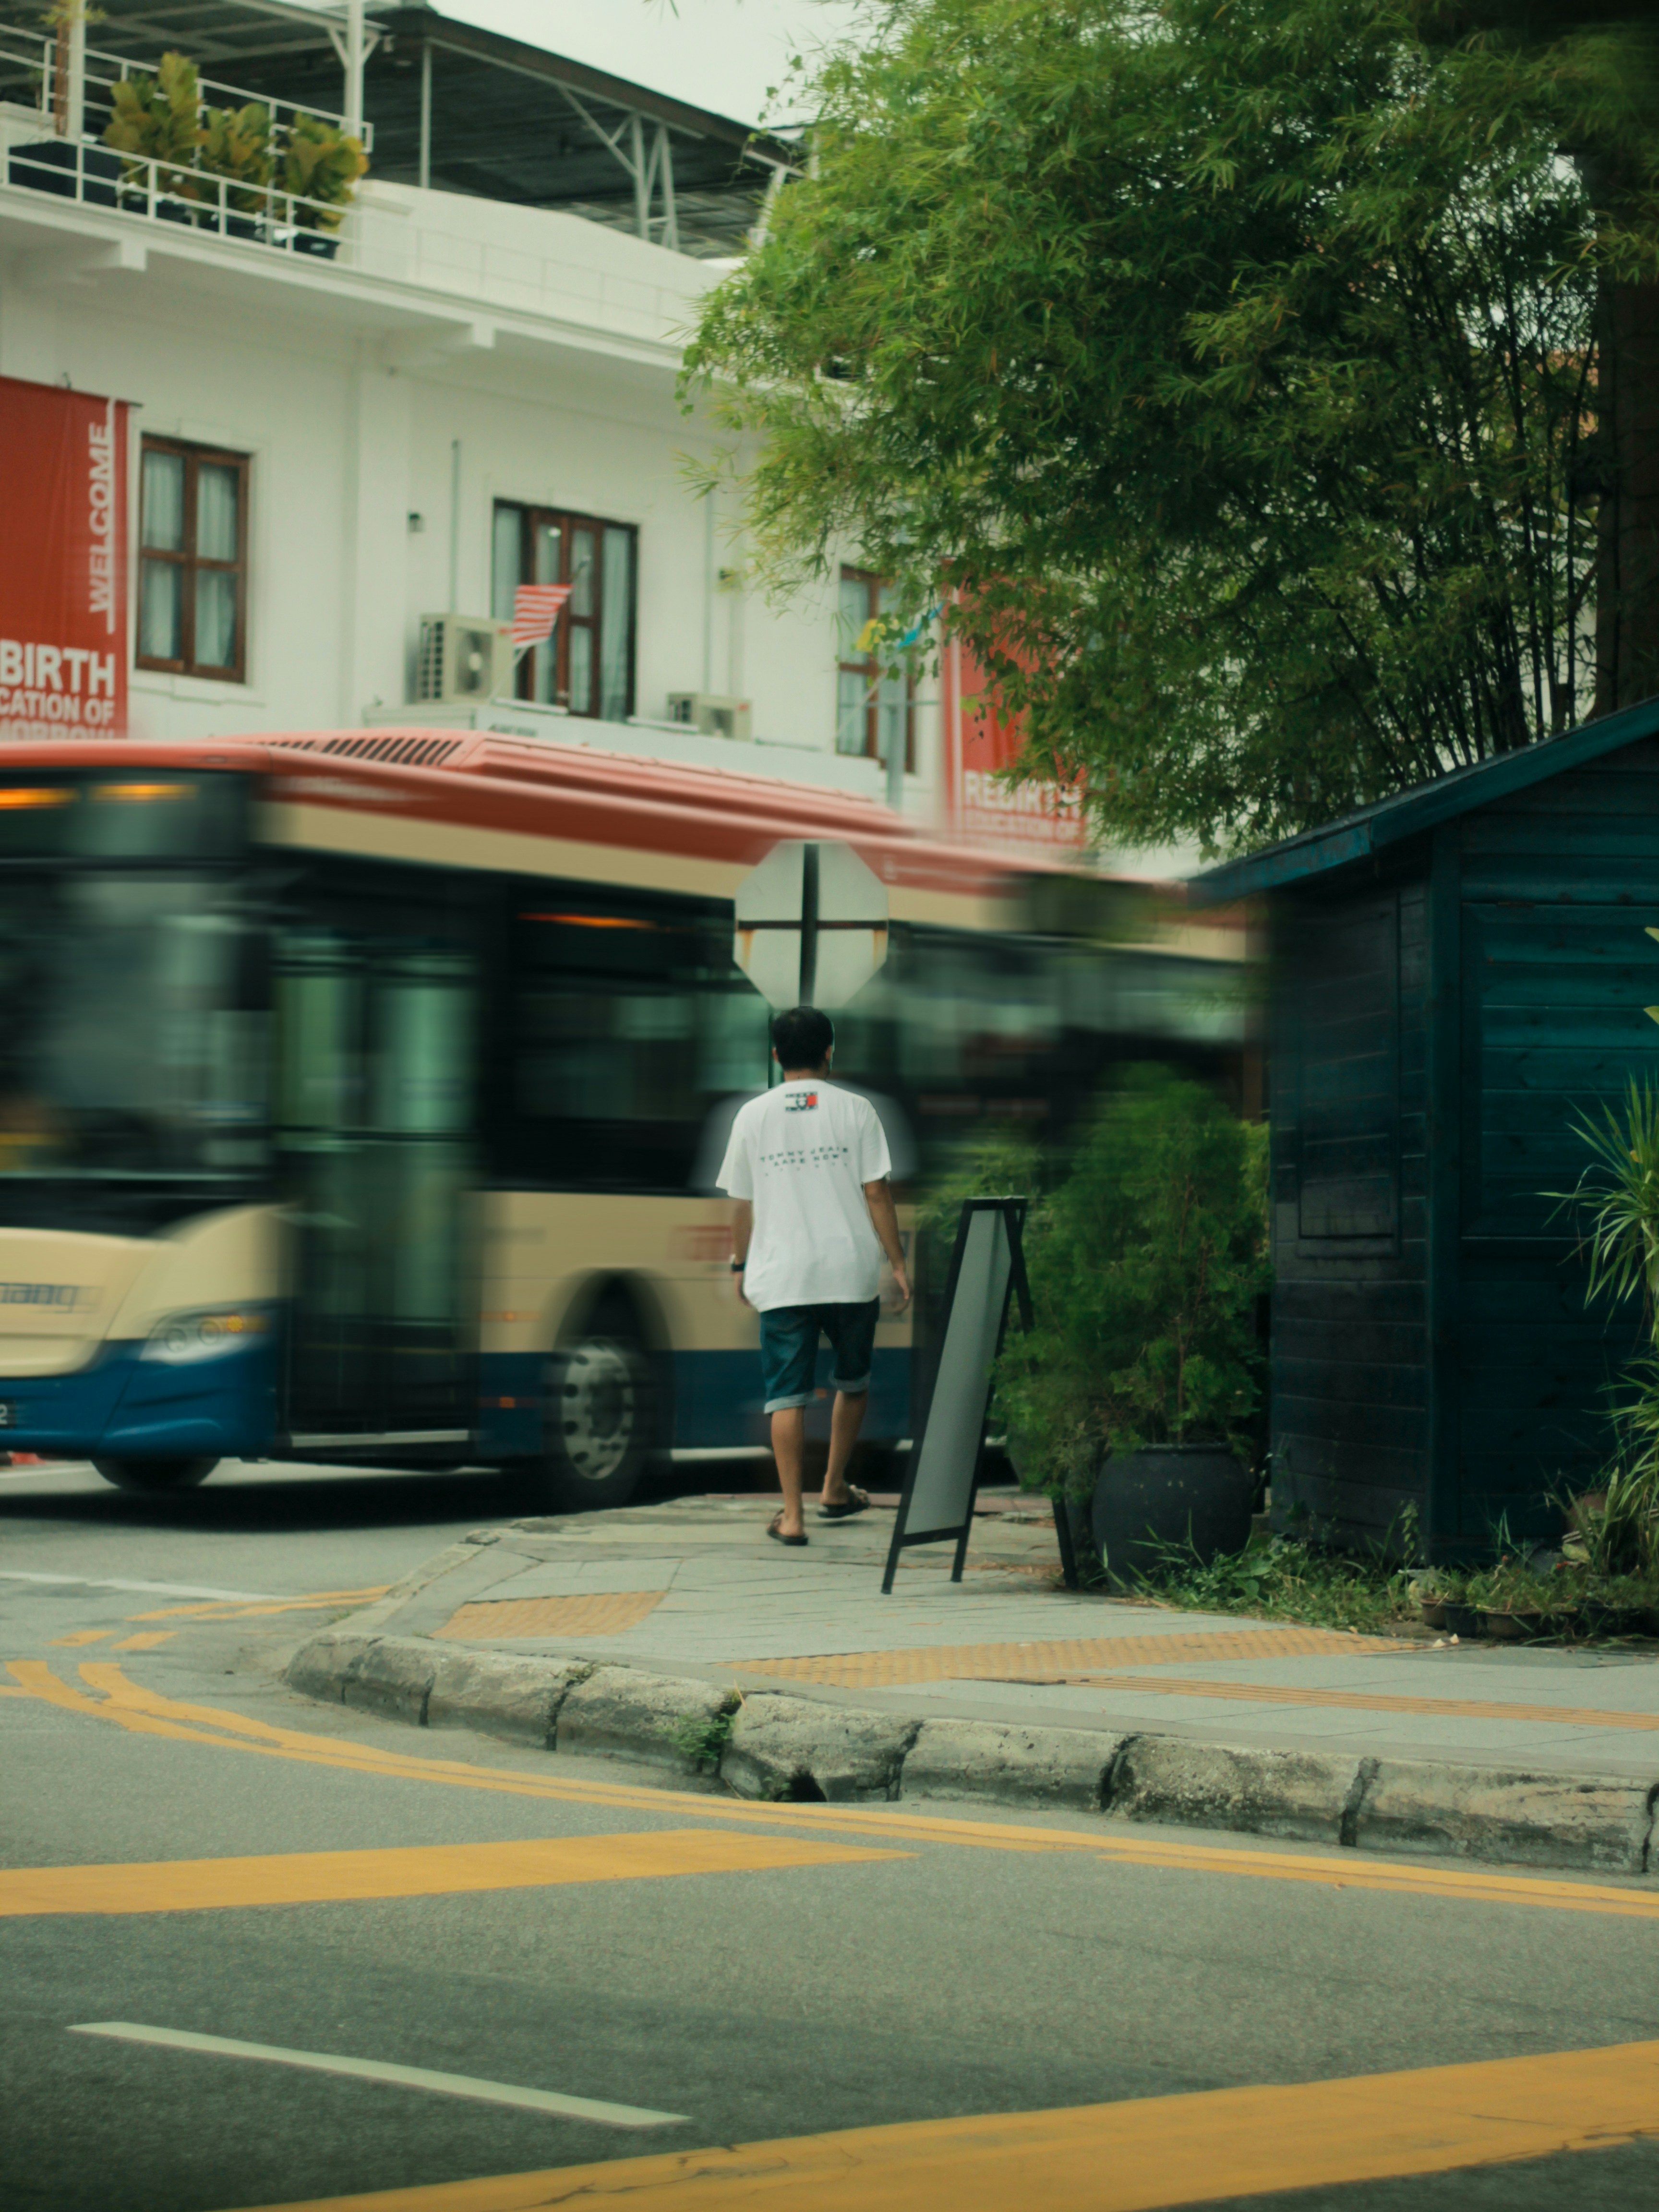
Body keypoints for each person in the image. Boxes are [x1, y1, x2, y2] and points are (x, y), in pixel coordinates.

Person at [717, 1004, 912, 1544]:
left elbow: (741, 1204)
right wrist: (897, 1263)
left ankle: (794, 1516)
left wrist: (740, 1263)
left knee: (786, 1396)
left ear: (776, 1055)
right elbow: (877, 1193)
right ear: (830, 1051)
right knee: (853, 1383)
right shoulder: (857, 1111)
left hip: (783, 1276)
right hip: (849, 1271)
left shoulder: (752, 1116)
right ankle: (833, 1486)